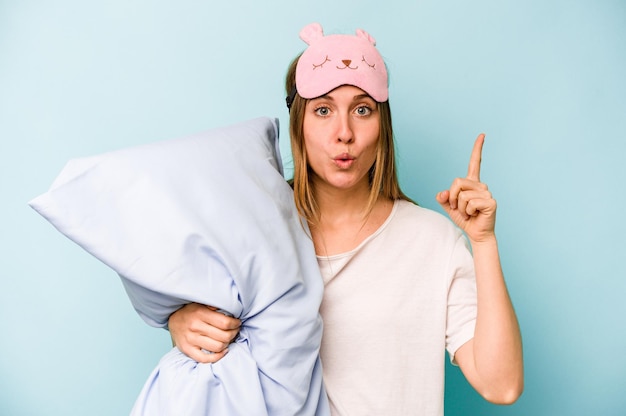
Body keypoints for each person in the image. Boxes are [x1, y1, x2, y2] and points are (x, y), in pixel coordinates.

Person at [168, 22, 523, 414]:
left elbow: (501, 384)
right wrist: (183, 325)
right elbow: (218, 354)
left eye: (362, 109)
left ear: (381, 125)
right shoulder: (255, 229)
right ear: (298, 124)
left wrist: (484, 242)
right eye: (323, 110)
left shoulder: (431, 241)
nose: (344, 133)